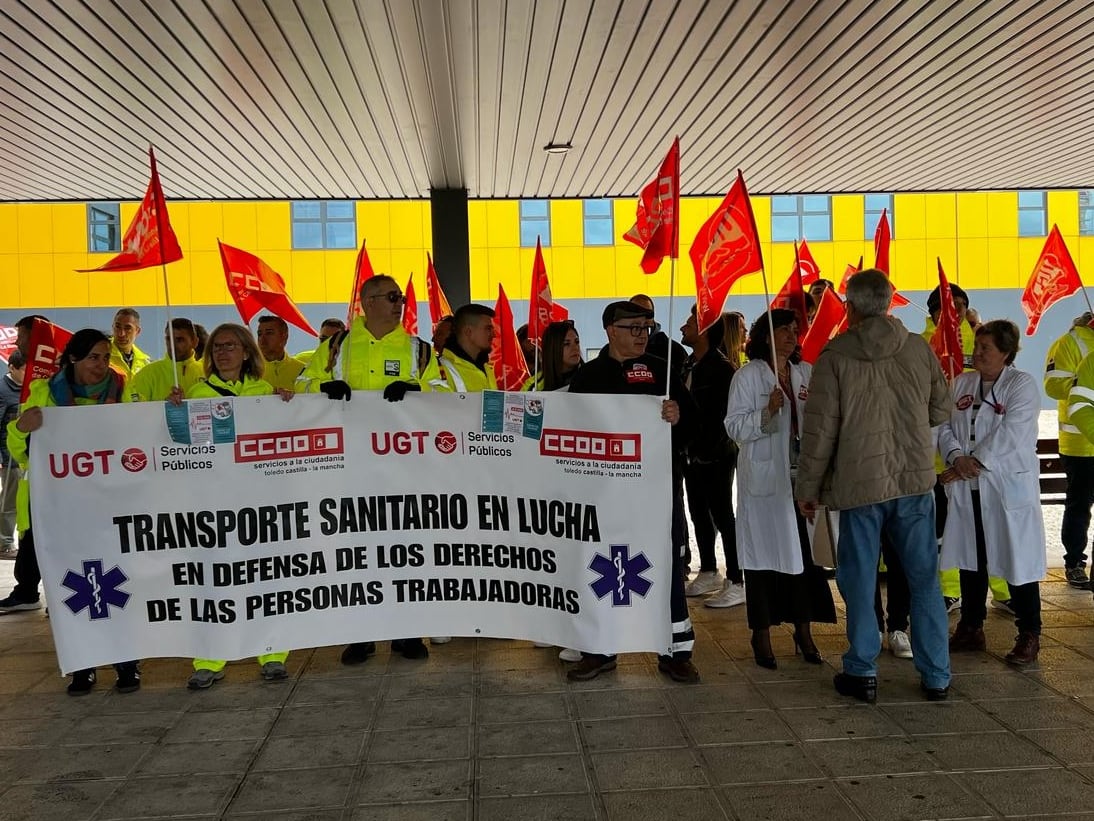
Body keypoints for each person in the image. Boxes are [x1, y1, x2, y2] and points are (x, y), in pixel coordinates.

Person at [796, 269, 952, 703]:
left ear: (850, 307)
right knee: (924, 580)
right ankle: (937, 674)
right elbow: (941, 411)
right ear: (888, 302)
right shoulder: (919, 349)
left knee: (860, 579)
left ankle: (862, 670)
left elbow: (820, 432)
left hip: (859, 485)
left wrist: (807, 487)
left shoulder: (835, 356)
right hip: (915, 481)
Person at [297, 275, 444, 661]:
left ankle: (407, 632)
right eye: (392, 297)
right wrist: (321, 390)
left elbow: (447, 394)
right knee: (355, 552)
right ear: (368, 302)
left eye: (401, 298)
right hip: (348, 469)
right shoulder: (336, 347)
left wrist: (418, 391)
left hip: (405, 468)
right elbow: (302, 385)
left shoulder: (419, 349)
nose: (400, 304)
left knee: (406, 550)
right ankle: (360, 633)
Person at [567, 300, 700, 684]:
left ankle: (677, 651)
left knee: (667, 567)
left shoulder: (664, 370)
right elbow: (570, 432)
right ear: (611, 330)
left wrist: (679, 417)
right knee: (598, 566)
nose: (643, 335)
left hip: (658, 494)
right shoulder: (588, 376)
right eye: (634, 328)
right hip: (605, 496)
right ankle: (599, 650)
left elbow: (698, 428)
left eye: (647, 327)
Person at [5, 329, 140, 694]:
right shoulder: (44, 394)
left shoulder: (124, 391)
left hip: (111, 508)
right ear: (74, 359)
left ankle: (127, 662)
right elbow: (21, 451)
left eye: (105, 356)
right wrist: (21, 428)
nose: (101, 365)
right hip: (61, 514)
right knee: (72, 590)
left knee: (120, 585)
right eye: (94, 357)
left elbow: (143, 436)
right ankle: (83, 665)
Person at [172, 323, 292, 688]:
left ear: (246, 352)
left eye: (232, 346)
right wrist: (172, 412)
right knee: (216, 579)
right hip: (214, 501)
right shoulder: (195, 392)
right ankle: (210, 659)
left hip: (259, 501)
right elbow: (180, 446)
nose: (223, 352)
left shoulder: (265, 392)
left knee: (266, 576)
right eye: (218, 347)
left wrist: (288, 405)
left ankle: (273, 653)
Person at [726, 310, 835, 668]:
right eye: (784, 330)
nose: (791, 335)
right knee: (764, 560)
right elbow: (734, 428)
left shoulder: (804, 373)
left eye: (794, 330)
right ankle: (762, 634)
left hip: (800, 478)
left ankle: (803, 631)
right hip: (766, 482)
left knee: (803, 558)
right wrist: (766, 413)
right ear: (765, 336)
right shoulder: (747, 376)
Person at [939, 320, 1044, 665]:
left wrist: (973, 462)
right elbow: (943, 426)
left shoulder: (1021, 385)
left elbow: (1010, 435)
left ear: (1006, 352)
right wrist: (956, 457)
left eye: (986, 348)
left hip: (1004, 486)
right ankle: (971, 626)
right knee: (972, 557)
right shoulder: (962, 383)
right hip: (968, 486)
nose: (977, 353)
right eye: (977, 346)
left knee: (1017, 559)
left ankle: (1029, 632)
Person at [922, 284, 1010, 611]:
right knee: (947, 531)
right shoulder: (922, 343)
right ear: (934, 309)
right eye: (948, 304)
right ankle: (950, 590)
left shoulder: (977, 338)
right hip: (936, 456)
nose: (956, 310)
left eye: (961, 304)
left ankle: (1002, 590)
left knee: (989, 527)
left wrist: (976, 328)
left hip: (976, 458)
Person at [680, 306, 744, 608]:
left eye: (690, 322)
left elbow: (722, 419)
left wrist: (704, 451)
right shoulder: (689, 364)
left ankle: (737, 578)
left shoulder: (721, 369)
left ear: (705, 331)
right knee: (698, 514)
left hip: (715, 455)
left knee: (722, 514)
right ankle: (708, 569)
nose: (684, 326)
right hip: (691, 455)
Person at [0, 317, 49, 612]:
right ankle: (27, 590)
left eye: (23, 337)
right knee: (28, 534)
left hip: (58, 477)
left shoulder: (50, 385)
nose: (18, 344)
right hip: (30, 473)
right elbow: (18, 432)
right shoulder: (34, 383)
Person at [1044, 313, 1094, 589]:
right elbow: (1052, 385)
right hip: (1079, 444)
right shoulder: (1070, 341)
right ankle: (1074, 562)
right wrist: (1083, 382)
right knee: (1079, 505)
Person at [125, 318, 205, 402]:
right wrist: (163, 406)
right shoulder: (148, 373)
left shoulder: (206, 372)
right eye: (168, 339)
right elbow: (130, 403)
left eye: (179, 340)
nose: (172, 345)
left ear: (195, 342)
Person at [437, 304, 498, 392]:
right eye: (488, 329)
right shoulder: (441, 369)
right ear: (468, 332)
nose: (493, 335)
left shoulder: (486, 368)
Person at [0, 351, 25, 558]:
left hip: (27, 456)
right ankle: (4, 543)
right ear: (12, 368)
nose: (27, 374)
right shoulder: (2, 390)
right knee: (10, 502)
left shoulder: (28, 389)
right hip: (9, 458)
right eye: (24, 370)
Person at [523, 320, 582, 391]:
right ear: (552, 348)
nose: (575, 348)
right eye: (566, 344)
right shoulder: (533, 385)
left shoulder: (591, 376)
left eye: (577, 342)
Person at [255, 315, 306, 391]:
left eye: (269, 333)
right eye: (259, 334)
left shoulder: (302, 370)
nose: (262, 338)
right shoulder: (249, 370)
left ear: (284, 336)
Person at [108, 308, 151, 382]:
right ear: (113, 327)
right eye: (118, 327)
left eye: (128, 328)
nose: (121, 334)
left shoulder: (144, 362)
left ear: (137, 331)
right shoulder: (102, 356)